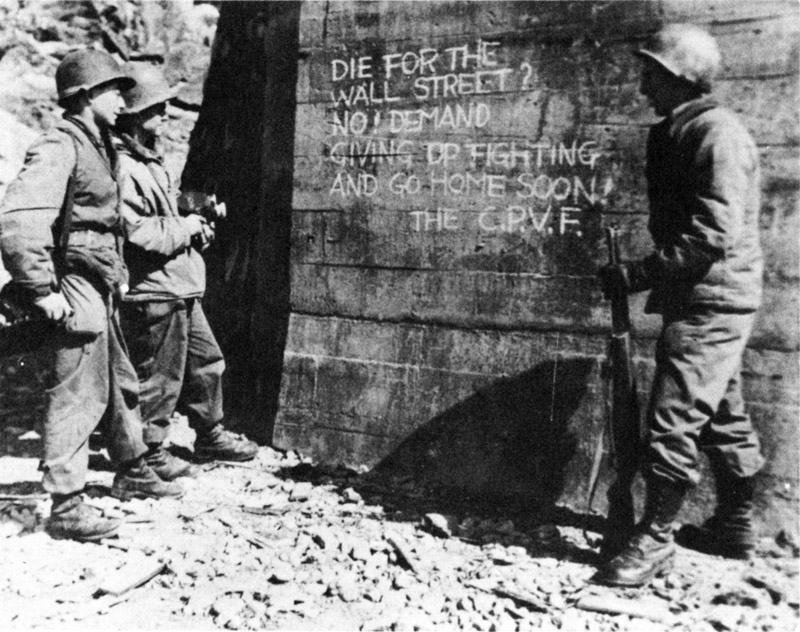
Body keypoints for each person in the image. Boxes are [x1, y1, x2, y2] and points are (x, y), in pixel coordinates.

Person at [596, 24, 764, 586]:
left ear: (680, 77)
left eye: (652, 74)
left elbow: (711, 233)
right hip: (704, 293)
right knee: (720, 413)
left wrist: (637, 275)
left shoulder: (716, 134)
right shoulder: (682, 129)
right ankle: (734, 526)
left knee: (673, 418)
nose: (643, 86)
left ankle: (655, 540)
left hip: (711, 299)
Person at [0, 49, 184, 542]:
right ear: (84, 95)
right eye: (113, 90)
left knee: (120, 380)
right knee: (76, 391)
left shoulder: (98, 144)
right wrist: (41, 288)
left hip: (99, 281)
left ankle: (133, 467)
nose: (124, 100)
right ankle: (66, 503)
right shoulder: (60, 144)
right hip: (74, 282)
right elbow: (19, 221)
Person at [114, 62, 258, 474]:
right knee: (159, 377)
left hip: (179, 283)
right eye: (156, 108)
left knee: (206, 362)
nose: (165, 114)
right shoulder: (122, 167)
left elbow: (163, 215)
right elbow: (138, 232)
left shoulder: (148, 160)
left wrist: (193, 222)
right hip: (154, 289)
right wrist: (186, 228)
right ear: (134, 114)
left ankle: (209, 434)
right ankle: (149, 452)